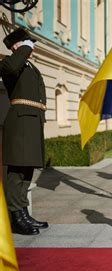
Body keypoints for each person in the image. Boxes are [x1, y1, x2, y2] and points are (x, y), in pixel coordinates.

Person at [1, 27, 49, 235]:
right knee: (16, 172)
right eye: (28, 42)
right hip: (20, 122)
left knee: (27, 169)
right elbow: (11, 68)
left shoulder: (28, 65)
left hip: (32, 121)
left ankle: (23, 213)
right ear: (16, 46)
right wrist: (22, 49)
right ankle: (15, 217)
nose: (32, 46)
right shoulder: (11, 62)